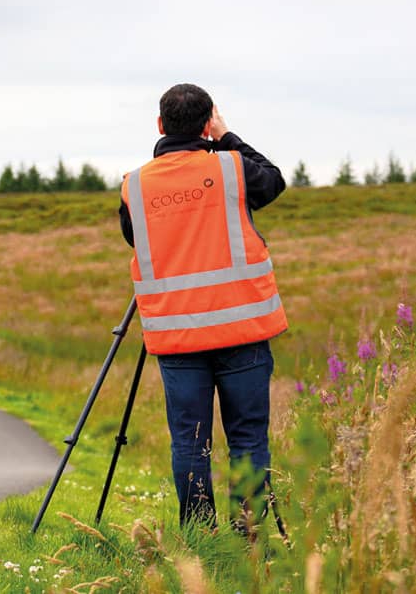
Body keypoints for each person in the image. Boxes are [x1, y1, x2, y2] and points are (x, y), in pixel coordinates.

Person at [116, 83, 289, 538]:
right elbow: (273, 180)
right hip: (243, 330)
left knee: (191, 443)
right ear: (208, 122)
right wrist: (228, 137)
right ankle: (247, 538)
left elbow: (136, 239)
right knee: (247, 438)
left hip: (177, 337)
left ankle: (198, 539)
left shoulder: (135, 186)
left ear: (160, 125)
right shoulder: (232, 168)